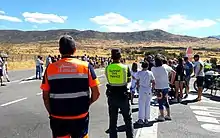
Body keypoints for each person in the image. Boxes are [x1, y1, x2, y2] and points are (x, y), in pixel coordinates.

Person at [40, 35, 100, 138]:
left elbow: (45, 97)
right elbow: (96, 92)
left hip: (58, 117)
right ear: (75, 50)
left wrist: (52, 113)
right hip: (80, 116)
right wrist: (87, 104)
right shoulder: (86, 66)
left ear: (59, 50)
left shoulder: (50, 68)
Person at [105, 48, 134, 138]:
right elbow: (129, 80)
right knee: (128, 119)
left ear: (111, 57)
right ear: (120, 57)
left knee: (113, 121)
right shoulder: (125, 67)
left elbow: (108, 79)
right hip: (123, 94)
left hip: (112, 95)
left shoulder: (108, 68)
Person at [151, 56, 175, 121]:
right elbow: (173, 72)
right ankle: (168, 115)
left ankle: (162, 116)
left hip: (158, 87)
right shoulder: (165, 67)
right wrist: (171, 82)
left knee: (160, 101)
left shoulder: (153, 68)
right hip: (166, 86)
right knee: (166, 100)